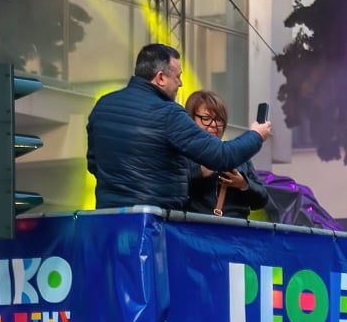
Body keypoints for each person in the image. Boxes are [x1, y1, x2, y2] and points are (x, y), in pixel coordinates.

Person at [86, 42, 271, 210]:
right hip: (153, 219)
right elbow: (223, 156)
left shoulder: (103, 105)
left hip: (109, 216)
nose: (181, 83)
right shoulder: (168, 113)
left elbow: (93, 163)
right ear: (161, 78)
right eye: (178, 76)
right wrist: (256, 135)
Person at [183, 89, 271, 218]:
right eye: (206, 119)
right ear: (191, 119)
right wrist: (200, 172)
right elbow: (169, 190)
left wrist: (243, 184)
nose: (214, 124)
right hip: (195, 227)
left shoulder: (236, 155)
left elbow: (262, 200)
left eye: (219, 120)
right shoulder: (182, 153)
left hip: (234, 228)